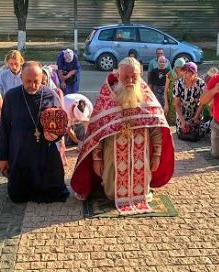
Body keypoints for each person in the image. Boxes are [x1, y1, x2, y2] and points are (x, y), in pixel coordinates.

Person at [71, 57, 175, 215]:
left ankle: (137, 195)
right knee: (111, 193)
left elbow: (156, 128)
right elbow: (97, 132)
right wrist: (97, 158)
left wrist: (157, 154)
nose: (130, 80)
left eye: (134, 76)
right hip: (112, 153)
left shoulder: (147, 98)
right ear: (118, 75)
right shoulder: (108, 97)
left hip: (141, 152)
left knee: (140, 187)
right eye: (126, 76)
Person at [0, 61, 70, 203]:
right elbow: (4, 127)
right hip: (20, 149)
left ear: (42, 78)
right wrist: (1, 157)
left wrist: (56, 136)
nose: (32, 85)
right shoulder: (11, 97)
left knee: (52, 190)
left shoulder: (50, 94)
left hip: (45, 149)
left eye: (36, 81)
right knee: (18, 195)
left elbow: (61, 124)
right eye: (28, 81)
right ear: (21, 78)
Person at [173, 62, 207, 140]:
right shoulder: (178, 84)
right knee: (181, 132)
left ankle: (205, 125)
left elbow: (202, 102)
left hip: (196, 110)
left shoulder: (201, 83)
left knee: (197, 133)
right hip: (182, 111)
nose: (185, 73)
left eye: (188, 71)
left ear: (194, 73)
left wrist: (195, 117)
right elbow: (177, 104)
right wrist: (182, 121)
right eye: (184, 71)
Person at [163, 58, 186, 124]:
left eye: (181, 67)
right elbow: (165, 91)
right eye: (177, 67)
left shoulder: (186, 75)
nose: (179, 69)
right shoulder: (170, 74)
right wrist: (166, 104)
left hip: (182, 101)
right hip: (171, 102)